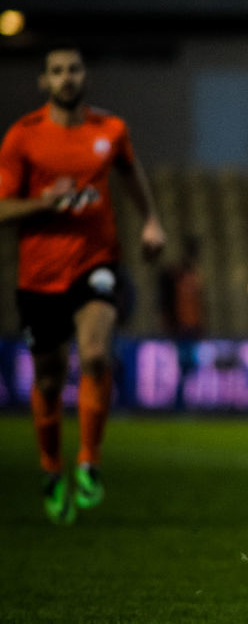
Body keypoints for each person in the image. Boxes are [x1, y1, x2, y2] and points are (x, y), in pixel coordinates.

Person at [0, 47, 167, 525]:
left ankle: (88, 462)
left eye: (73, 69)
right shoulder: (23, 138)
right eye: (57, 71)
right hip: (39, 277)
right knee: (49, 380)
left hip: (96, 263)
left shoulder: (109, 131)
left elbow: (130, 171)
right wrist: (44, 204)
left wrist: (151, 221)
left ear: (85, 77)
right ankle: (52, 470)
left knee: (94, 353)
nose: (66, 78)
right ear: (43, 82)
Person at [159, 234, 205, 410]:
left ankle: (180, 399)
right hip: (181, 328)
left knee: (188, 365)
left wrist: (200, 326)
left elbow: (200, 305)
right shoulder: (177, 277)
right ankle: (178, 401)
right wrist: (169, 323)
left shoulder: (195, 277)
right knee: (184, 363)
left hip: (192, 328)